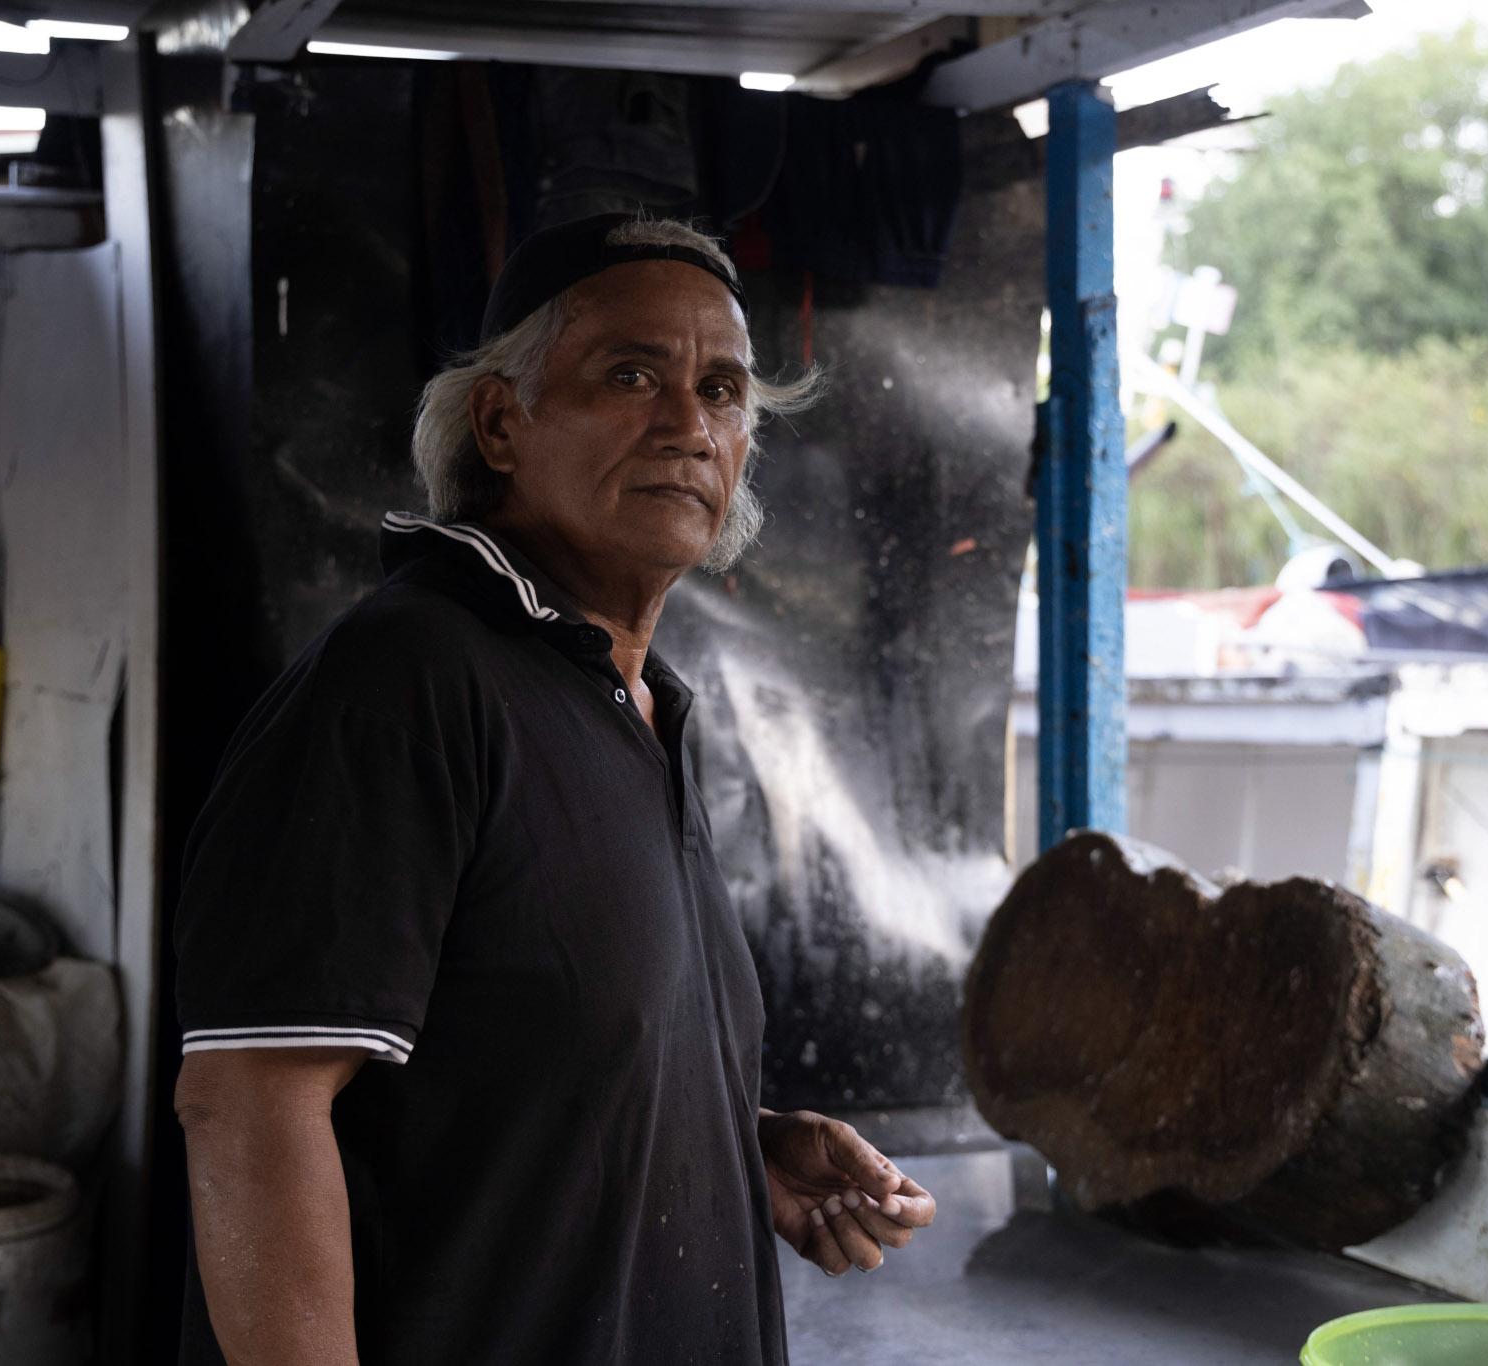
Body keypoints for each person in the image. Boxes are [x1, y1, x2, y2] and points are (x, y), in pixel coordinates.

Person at [172, 213, 936, 1366]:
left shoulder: (634, 702)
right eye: (630, 375)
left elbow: (514, 1061)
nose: (688, 425)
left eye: (722, 391)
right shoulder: (407, 681)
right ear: (499, 423)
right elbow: (247, 1107)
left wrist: (723, 1144)